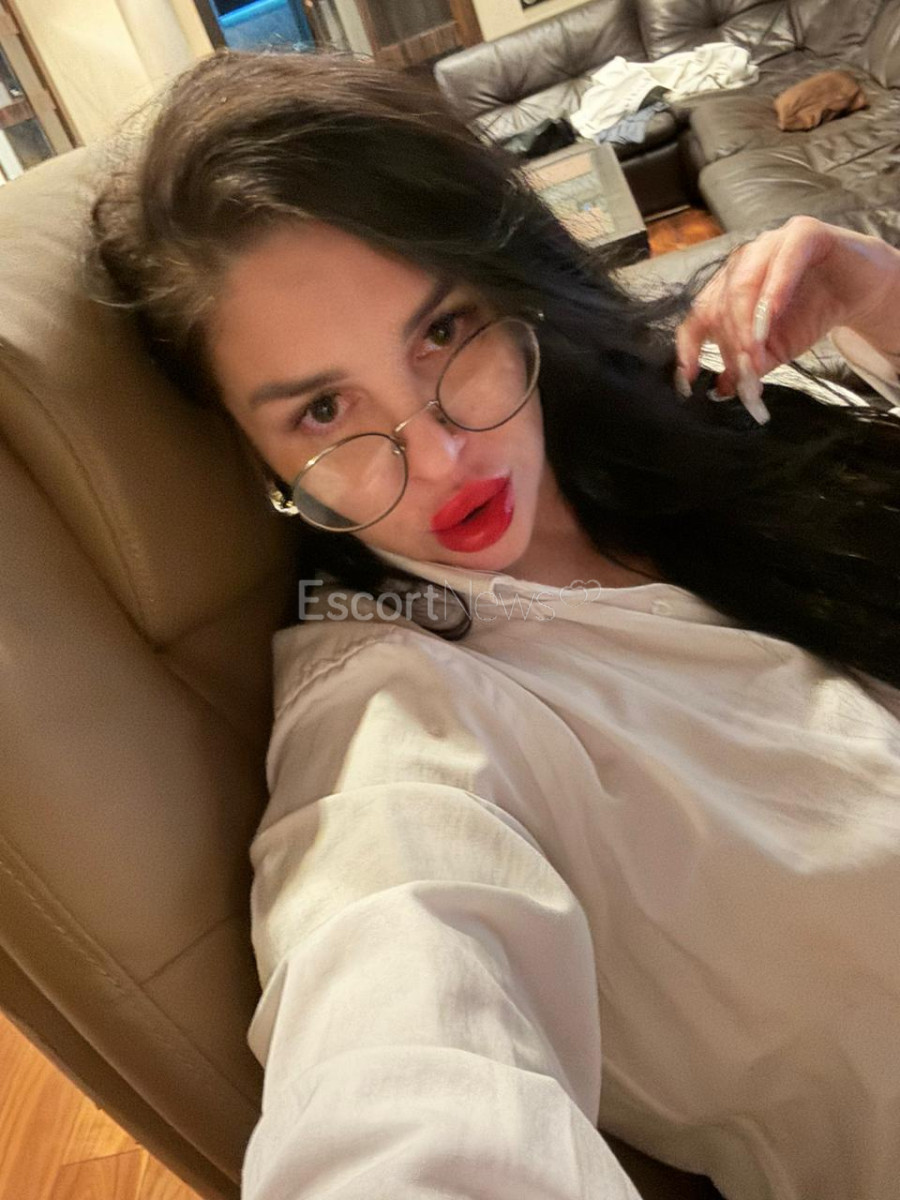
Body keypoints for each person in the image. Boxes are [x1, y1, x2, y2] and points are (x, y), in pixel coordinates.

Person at [91, 50, 900, 1200]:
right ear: (251, 452)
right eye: (323, 408)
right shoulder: (402, 715)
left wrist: (880, 300)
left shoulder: (682, 420)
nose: (439, 454)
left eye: (441, 333)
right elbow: (398, 1053)